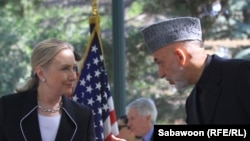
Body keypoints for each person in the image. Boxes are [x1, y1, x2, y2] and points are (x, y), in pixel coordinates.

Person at [140, 16, 250, 124]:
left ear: (180, 57)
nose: (161, 74)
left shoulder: (240, 74)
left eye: (160, 62)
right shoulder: (191, 103)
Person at [0, 39, 96, 140]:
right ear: (41, 73)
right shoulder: (8, 108)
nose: (73, 76)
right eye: (65, 68)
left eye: (74, 68)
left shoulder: (83, 115)